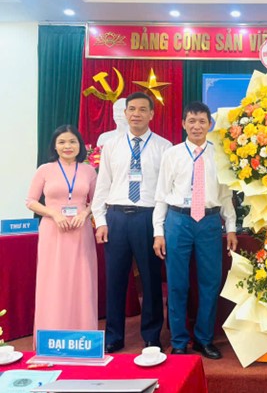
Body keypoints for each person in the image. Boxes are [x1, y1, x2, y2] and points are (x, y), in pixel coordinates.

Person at [152, 102, 238, 357]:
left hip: (209, 222)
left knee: (210, 282)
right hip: (178, 221)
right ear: (183, 124)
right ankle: (179, 341)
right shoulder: (172, 154)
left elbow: (226, 196)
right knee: (177, 283)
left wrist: (231, 228)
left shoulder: (220, 155)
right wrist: (158, 232)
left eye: (202, 121)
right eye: (191, 121)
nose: (197, 126)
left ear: (209, 125)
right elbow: (161, 195)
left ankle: (204, 339)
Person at [92, 91, 172, 353]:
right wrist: (100, 220)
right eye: (132, 109)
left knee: (151, 279)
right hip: (116, 217)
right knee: (115, 279)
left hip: (148, 217)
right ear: (125, 113)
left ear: (151, 114)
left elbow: (165, 190)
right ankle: (114, 336)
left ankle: (151, 336)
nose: (137, 114)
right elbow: (103, 184)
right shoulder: (111, 145)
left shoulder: (164, 147)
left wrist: (160, 227)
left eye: (142, 109)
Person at [26, 125, 98, 347]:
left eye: (72, 142)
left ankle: (83, 337)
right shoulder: (45, 170)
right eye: (62, 142)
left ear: (80, 145)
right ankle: (51, 336)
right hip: (53, 231)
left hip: (80, 232)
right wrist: (54, 214)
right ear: (55, 146)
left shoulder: (88, 171)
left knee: (82, 281)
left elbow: (98, 200)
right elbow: (31, 201)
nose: (68, 146)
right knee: (53, 281)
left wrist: (85, 214)